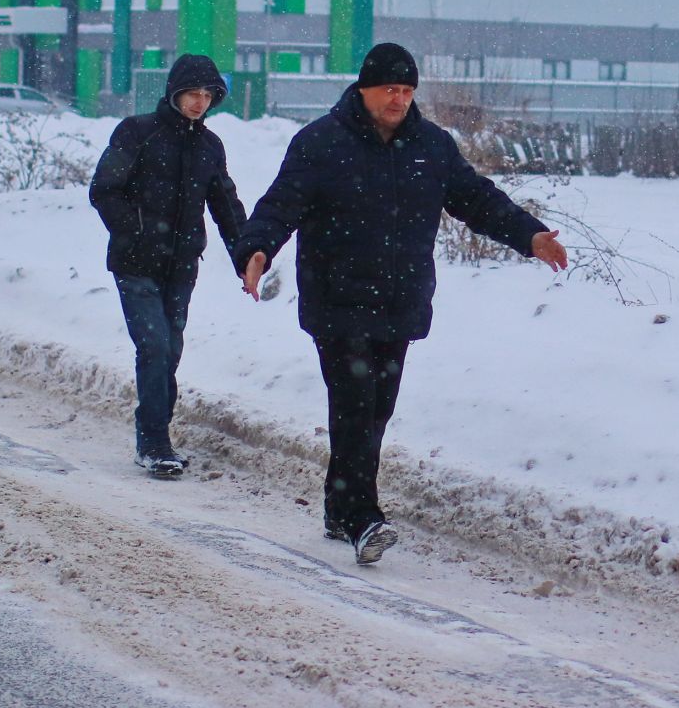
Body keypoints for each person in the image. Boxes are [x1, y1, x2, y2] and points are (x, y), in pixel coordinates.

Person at [234, 42, 568, 564]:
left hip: (399, 301)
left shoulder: (431, 147)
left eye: (408, 90)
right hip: (338, 300)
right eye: (391, 88)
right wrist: (255, 249)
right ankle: (360, 516)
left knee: (376, 411)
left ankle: (337, 506)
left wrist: (530, 236)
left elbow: (477, 200)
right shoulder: (321, 143)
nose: (400, 98)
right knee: (354, 404)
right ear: (364, 88)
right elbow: (281, 204)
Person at [90, 53, 247, 477]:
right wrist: (136, 231)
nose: (200, 102)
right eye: (192, 93)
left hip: (181, 266)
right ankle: (154, 440)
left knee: (170, 349)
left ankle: (157, 434)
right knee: (155, 345)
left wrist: (249, 253)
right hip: (136, 263)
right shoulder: (137, 132)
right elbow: (105, 189)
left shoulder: (210, 146)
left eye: (208, 95)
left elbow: (226, 205)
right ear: (174, 92)